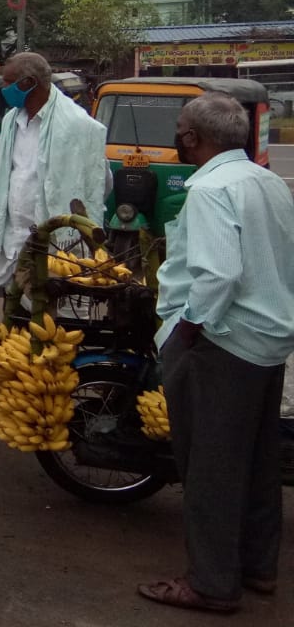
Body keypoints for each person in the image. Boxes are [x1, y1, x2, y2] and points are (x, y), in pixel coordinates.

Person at [138, 92, 294, 613]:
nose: (177, 136)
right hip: (267, 343)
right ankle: (256, 567)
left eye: (180, 128)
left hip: (222, 343)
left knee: (209, 469)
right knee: (255, 461)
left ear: (193, 139)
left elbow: (218, 273)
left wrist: (186, 331)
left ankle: (211, 583)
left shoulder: (208, 189)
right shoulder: (266, 181)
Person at [0, 52, 108, 295]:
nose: (4, 89)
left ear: (28, 83)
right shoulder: (11, 120)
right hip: (14, 238)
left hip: (56, 244)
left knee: (52, 318)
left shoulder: (75, 124)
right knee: (15, 317)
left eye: (8, 82)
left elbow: (97, 182)